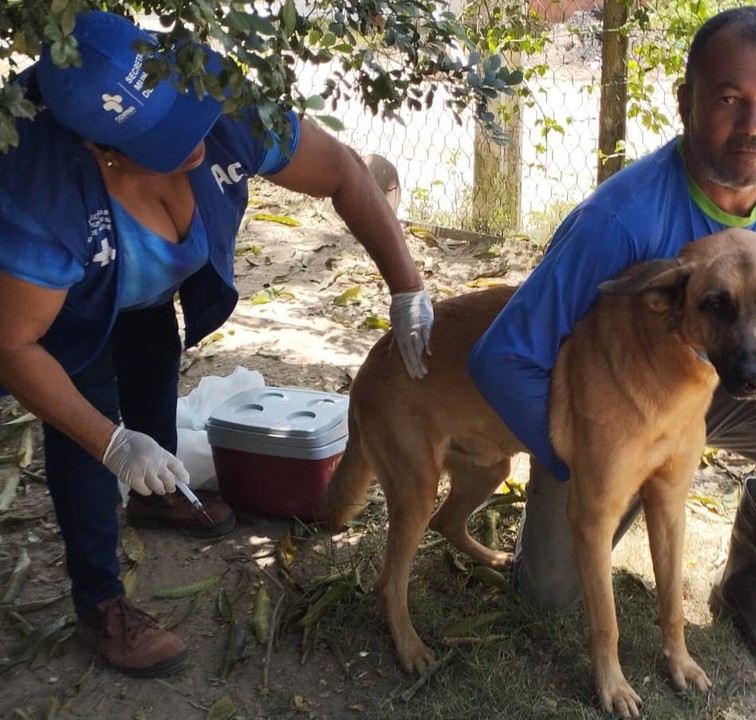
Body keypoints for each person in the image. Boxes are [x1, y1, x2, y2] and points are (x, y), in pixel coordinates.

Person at [0, 11, 433, 678]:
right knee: (83, 418)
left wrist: (407, 287)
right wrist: (113, 443)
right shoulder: (41, 192)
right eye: (164, 139)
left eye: (187, 115)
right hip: (63, 309)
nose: (195, 141)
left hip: (139, 283)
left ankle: (155, 494)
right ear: (102, 153)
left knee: (152, 348)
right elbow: (16, 346)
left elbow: (346, 172)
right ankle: (100, 603)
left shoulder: (214, 99)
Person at [469, 6, 756, 682]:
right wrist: (587, 455)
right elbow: (502, 356)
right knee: (545, 591)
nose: (755, 125)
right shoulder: (617, 220)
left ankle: (752, 581)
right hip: (622, 405)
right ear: (685, 102)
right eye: (728, 99)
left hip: (735, 387)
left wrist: (753, 367)